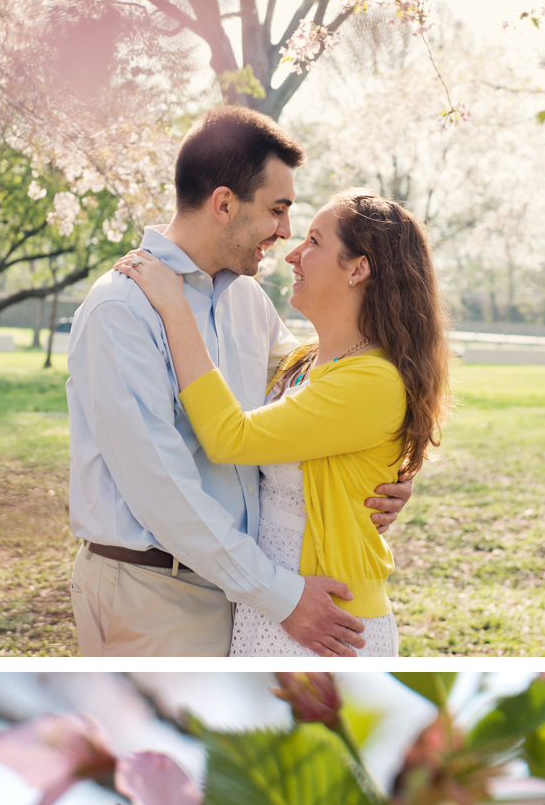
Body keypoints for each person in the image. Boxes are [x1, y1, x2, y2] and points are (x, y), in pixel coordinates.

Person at [67, 106, 415, 660]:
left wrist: (382, 475)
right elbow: (161, 487)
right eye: (278, 210)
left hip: (242, 594)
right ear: (225, 204)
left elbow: (317, 395)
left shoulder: (247, 302)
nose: (285, 233)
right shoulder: (122, 309)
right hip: (157, 592)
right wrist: (280, 596)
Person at [117, 189, 448, 661]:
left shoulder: (371, 380)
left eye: (314, 241)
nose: (292, 252)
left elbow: (229, 436)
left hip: (331, 618)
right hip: (277, 602)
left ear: (358, 268)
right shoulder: (304, 361)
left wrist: (175, 308)